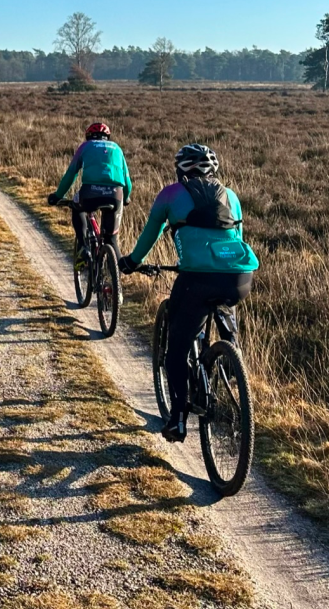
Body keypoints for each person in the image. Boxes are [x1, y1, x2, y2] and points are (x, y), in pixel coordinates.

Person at [118, 144, 259, 443]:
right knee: (223, 303)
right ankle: (231, 356)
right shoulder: (231, 196)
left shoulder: (170, 194)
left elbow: (151, 234)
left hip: (196, 279)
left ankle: (178, 418)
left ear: (180, 170)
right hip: (239, 277)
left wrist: (132, 262)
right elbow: (237, 239)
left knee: (176, 350)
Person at [46, 123, 134, 261]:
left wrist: (58, 196)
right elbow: (127, 182)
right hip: (116, 195)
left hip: (90, 192)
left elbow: (71, 174)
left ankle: (83, 247)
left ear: (88, 137)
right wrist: (126, 198)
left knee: (76, 206)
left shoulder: (85, 146)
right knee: (111, 240)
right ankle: (117, 277)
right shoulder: (117, 148)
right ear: (107, 137)